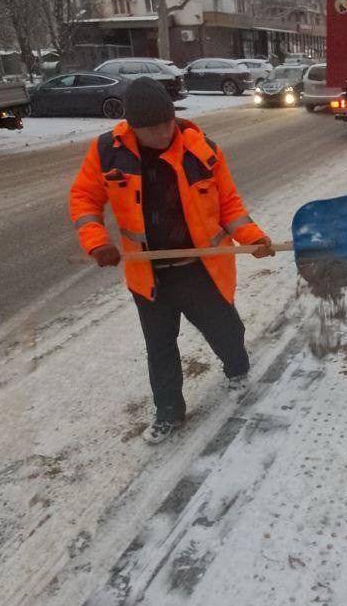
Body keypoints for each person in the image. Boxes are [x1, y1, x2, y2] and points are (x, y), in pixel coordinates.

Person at [69, 77, 274, 445]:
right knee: (160, 348)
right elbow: (84, 198)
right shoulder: (107, 152)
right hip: (147, 273)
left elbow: (229, 205)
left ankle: (237, 368)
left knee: (225, 329)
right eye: (150, 128)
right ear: (132, 127)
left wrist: (254, 238)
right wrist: (96, 241)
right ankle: (168, 412)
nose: (162, 133)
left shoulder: (203, 151)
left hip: (199, 267)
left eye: (166, 123)